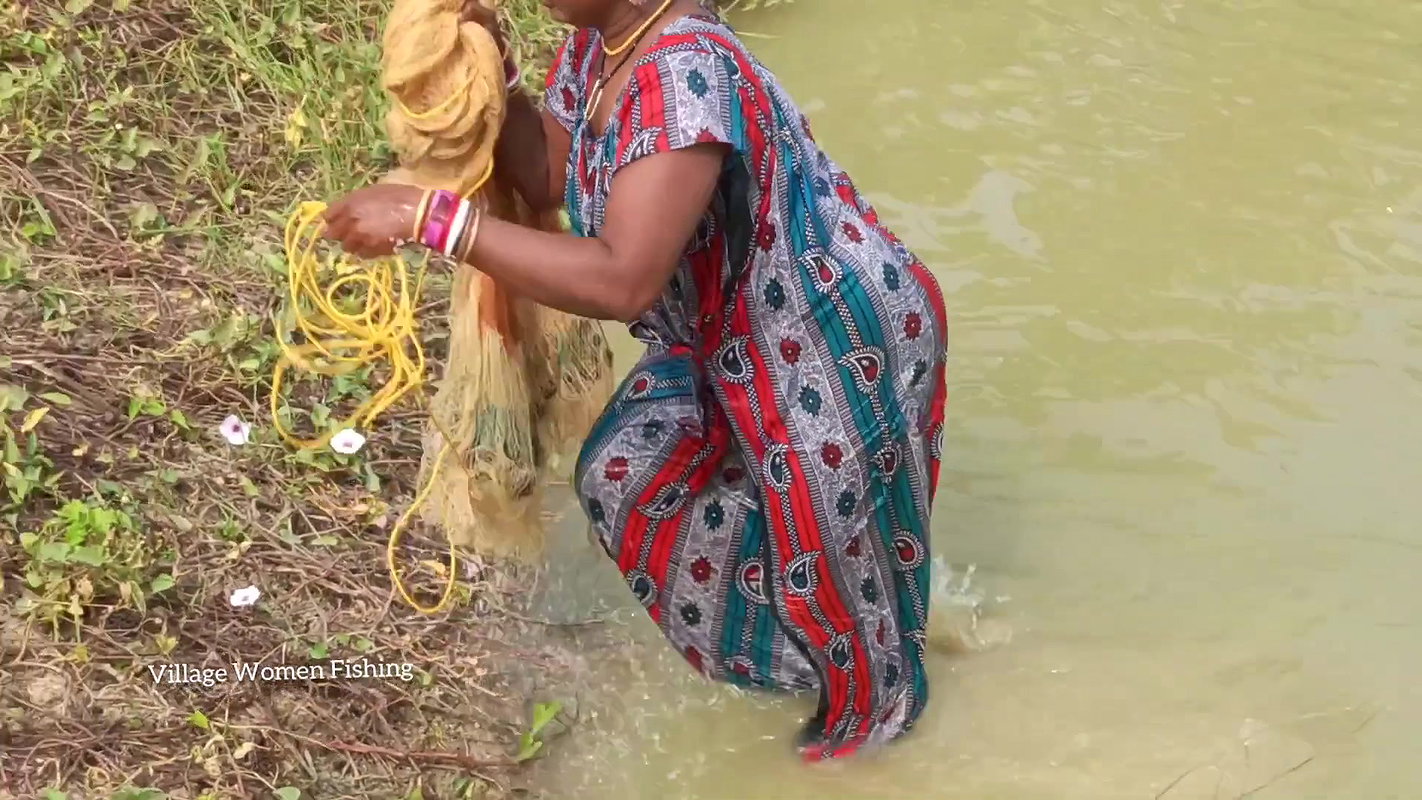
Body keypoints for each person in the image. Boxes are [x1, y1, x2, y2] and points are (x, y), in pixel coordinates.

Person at [321, 0, 948, 761]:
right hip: (729, 340)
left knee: (853, 622)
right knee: (630, 478)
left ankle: (869, 741)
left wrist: (440, 223)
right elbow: (552, 172)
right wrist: (495, 73)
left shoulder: (683, 71)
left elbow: (624, 279)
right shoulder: (604, 47)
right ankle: (820, 649)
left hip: (833, 346)